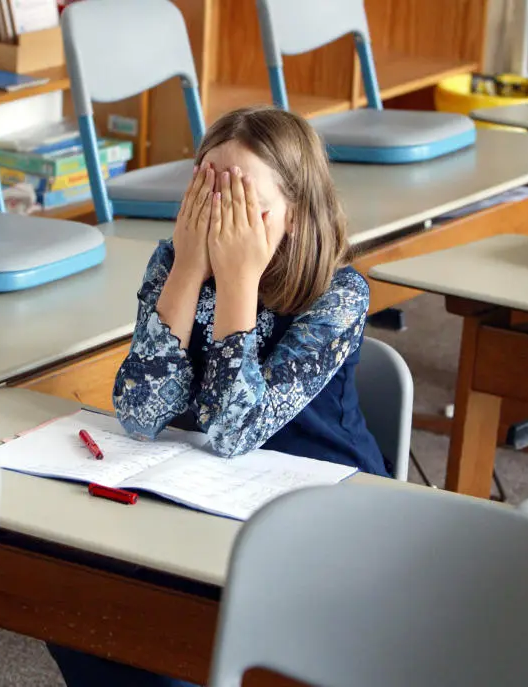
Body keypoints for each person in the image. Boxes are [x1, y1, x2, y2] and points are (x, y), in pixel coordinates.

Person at [47, 105, 388, 687]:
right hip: (207, 485)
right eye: (207, 193)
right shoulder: (173, 262)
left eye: (241, 201)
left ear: (297, 214)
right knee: (73, 595)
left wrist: (237, 282)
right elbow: (141, 411)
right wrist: (185, 271)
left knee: (189, 627)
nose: (220, 218)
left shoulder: (339, 294)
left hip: (318, 500)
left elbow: (235, 429)